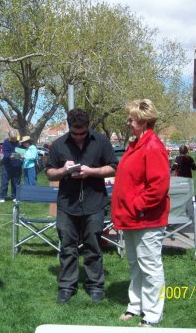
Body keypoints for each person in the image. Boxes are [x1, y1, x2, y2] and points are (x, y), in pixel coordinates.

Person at [46, 108, 118, 304]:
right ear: (69, 128)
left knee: (93, 245)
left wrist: (91, 171)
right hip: (67, 204)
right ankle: (66, 286)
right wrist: (64, 170)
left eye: (82, 133)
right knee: (67, 246)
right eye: (75, 133)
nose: (78, 137)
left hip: (94, 202)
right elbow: (50, 173)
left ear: (88, 127)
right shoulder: (59, 144)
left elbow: (113, 167)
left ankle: (95, 285)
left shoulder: (101, 141)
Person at [111, 99, 170, 327]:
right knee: (135, 264)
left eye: (131, 119)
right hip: (132, 220)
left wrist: (136, 206)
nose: (128, 123)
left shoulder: (153, 146)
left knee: (150, 266)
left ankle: (153, 315)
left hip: (146, 220)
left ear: (144, 121)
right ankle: (136, 306)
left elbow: (158, 187)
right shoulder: (136, 144)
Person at [0, 130, 22, 202]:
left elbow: (21, 151)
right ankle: (2, 196)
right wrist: (10, 156)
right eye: (13, 138)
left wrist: (22, 155)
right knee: (4, 181)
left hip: (17, 165)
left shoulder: (19, 141)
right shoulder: (6, 142)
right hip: (7, 165)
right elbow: (5, 152)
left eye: (15, 138)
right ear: (10, 137)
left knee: (16, 182)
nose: (15, 140)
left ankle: (14, 196)